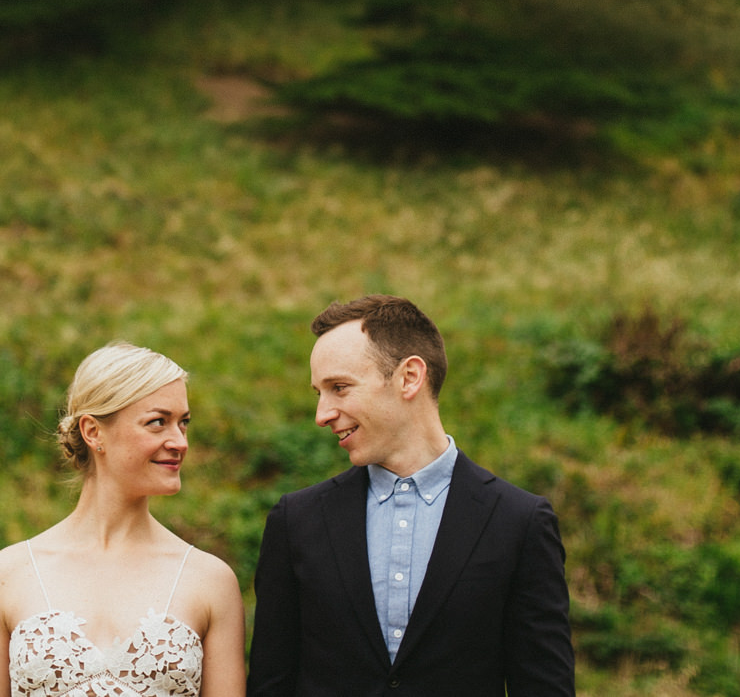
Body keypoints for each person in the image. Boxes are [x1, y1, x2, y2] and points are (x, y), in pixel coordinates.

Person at [246, 296, 575, 697]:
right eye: (319, 392)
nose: (322, 413)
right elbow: (270, 685)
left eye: (339, 388)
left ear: (409, 377)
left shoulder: (520, 521)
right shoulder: (295, 521)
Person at [0, 343, 246, 697]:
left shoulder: (211, 581)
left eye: (183, 423)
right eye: (158, 422)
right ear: (93, 432)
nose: (180, 442)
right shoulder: (6, 575)